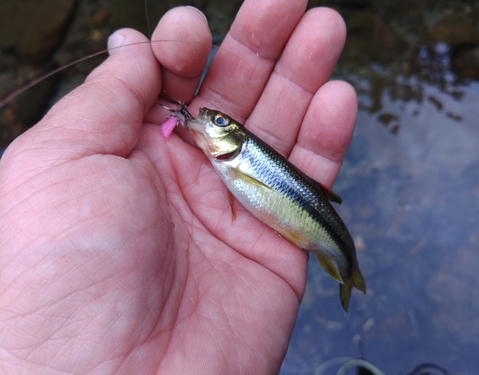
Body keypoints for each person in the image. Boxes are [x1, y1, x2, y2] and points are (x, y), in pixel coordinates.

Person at [0, 0, 357, 373]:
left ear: (235, 142)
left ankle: (346, 266)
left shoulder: (238, 161)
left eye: (218, 122)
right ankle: (348, 268)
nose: (206, 120)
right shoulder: (229, 163)